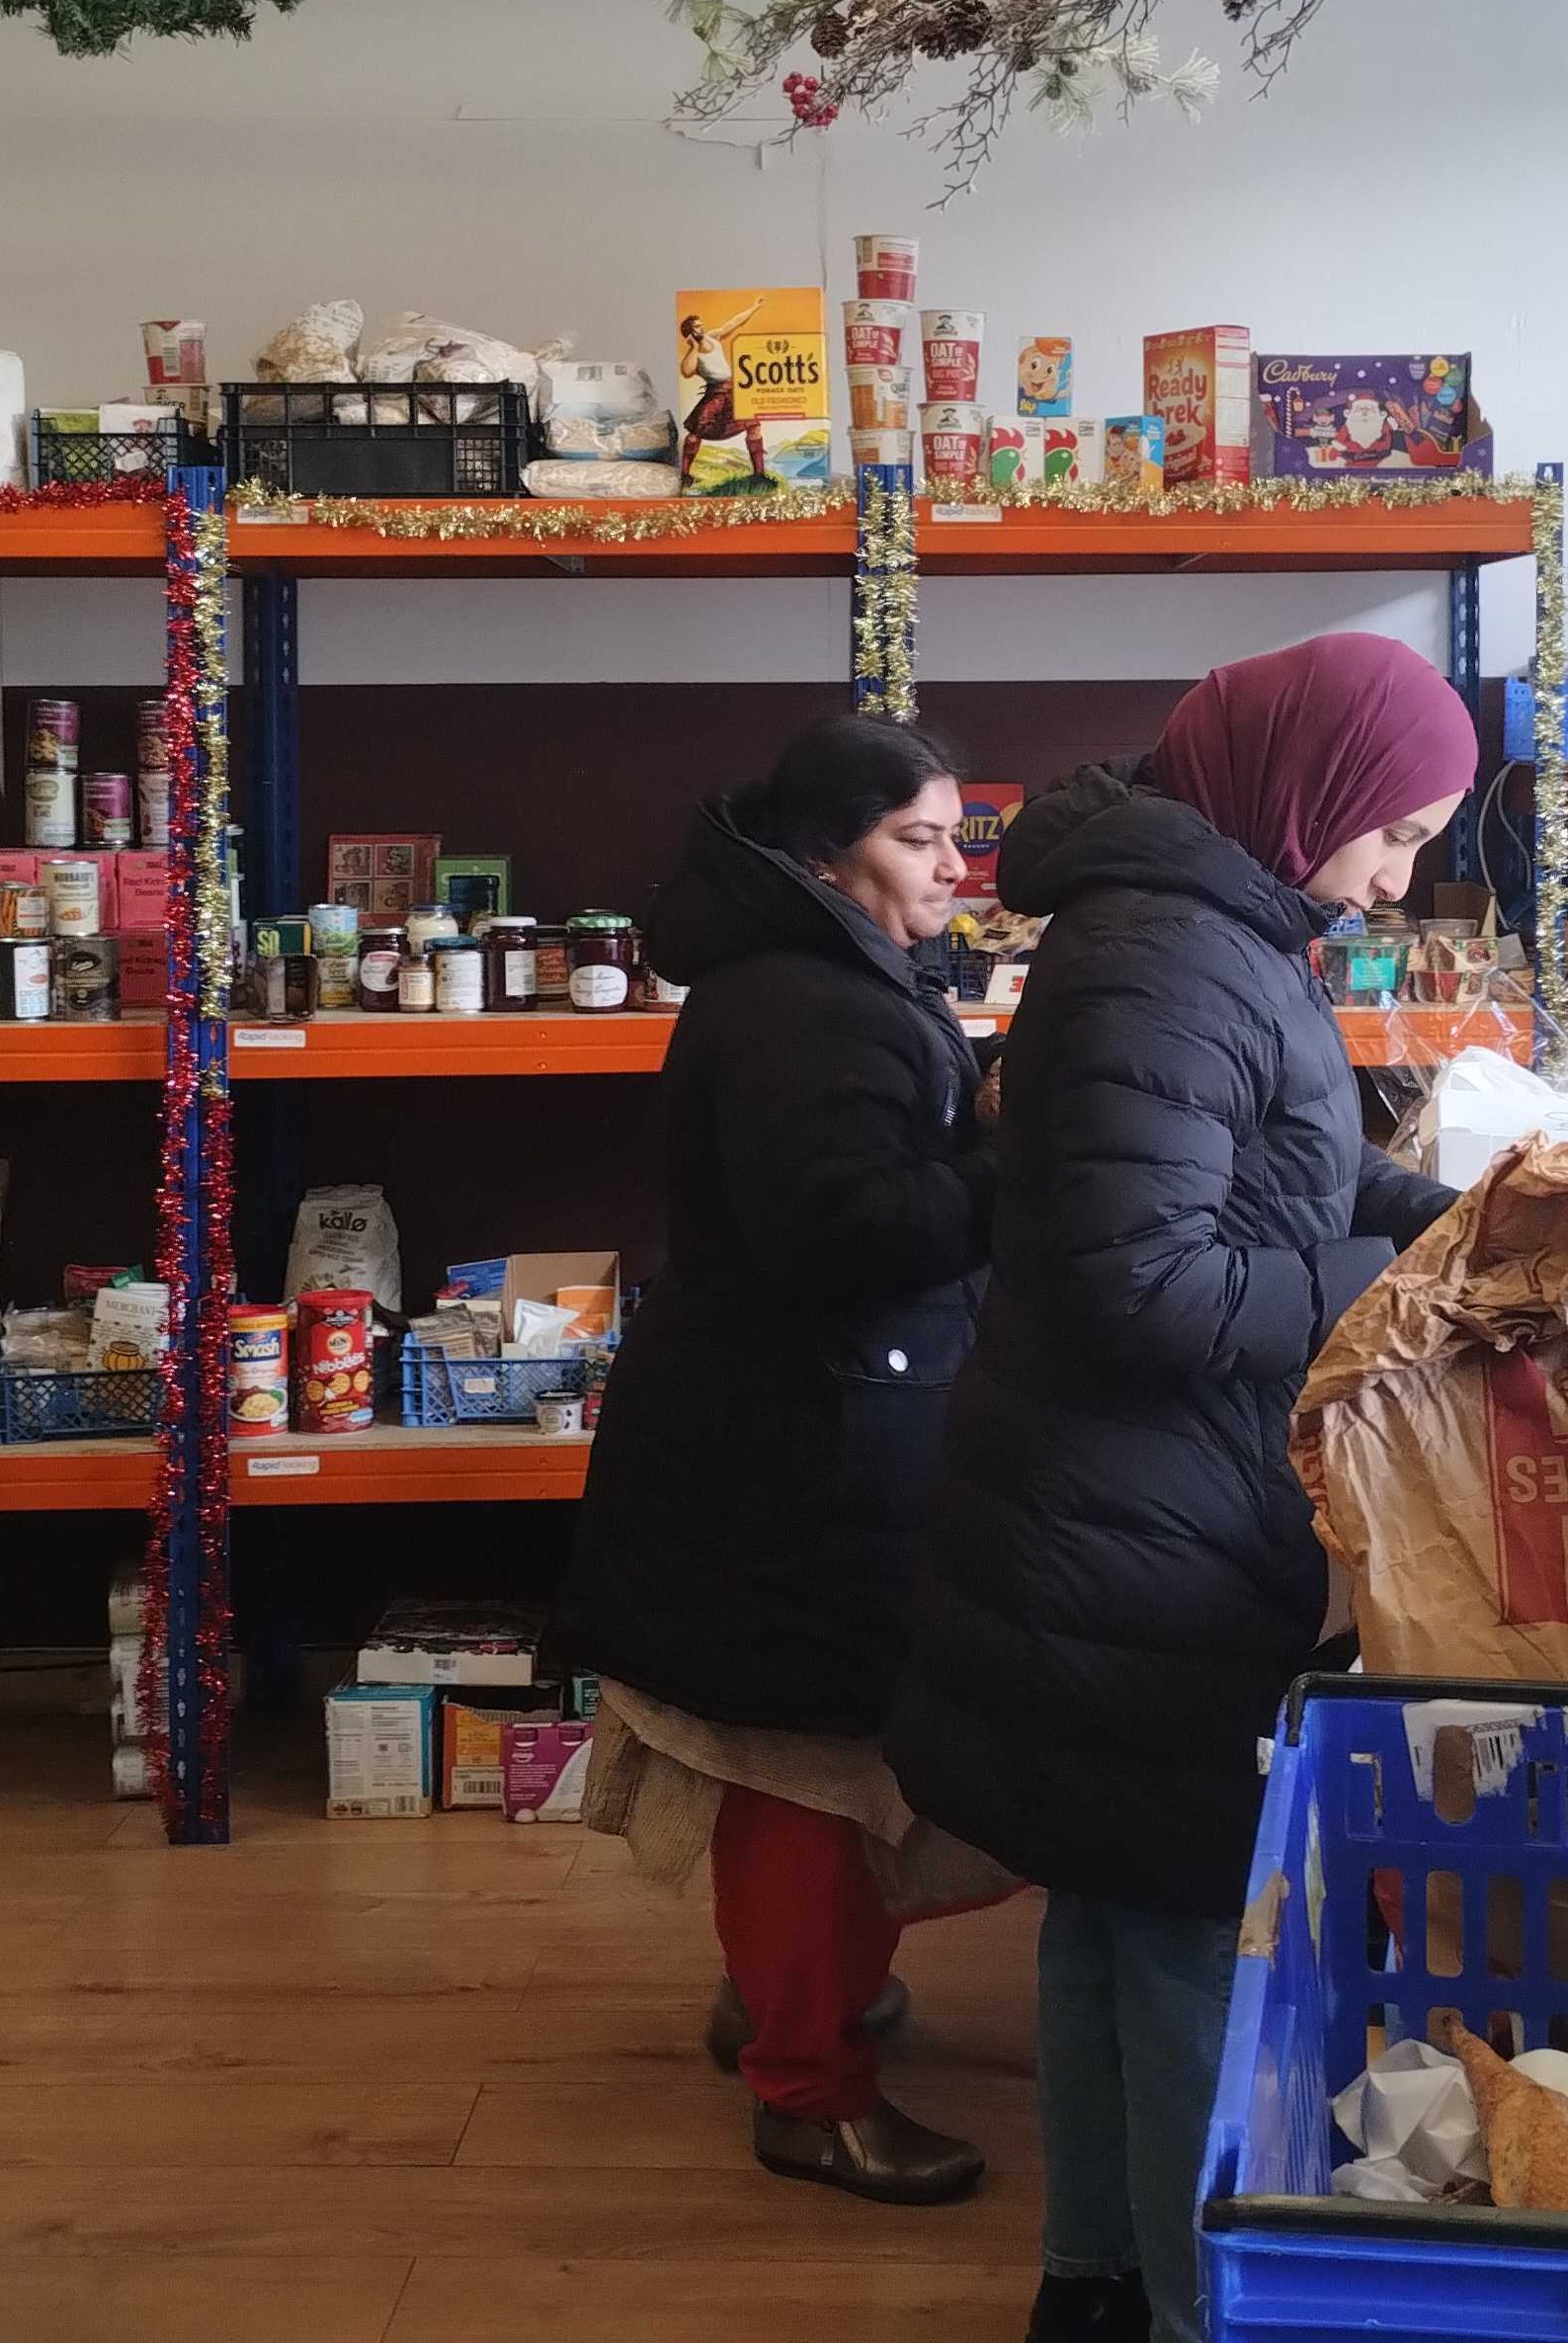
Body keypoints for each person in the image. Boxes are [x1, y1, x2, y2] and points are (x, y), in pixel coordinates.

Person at [889, 633, 1476, 2343]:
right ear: (1310, 790)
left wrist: (1443, 1206)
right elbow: (1144, 1287)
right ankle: (1183, 2304)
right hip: (1137, 1536)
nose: (1401, 869)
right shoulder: (1171, 957)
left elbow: (1270, 1157)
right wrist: (1398, 1301)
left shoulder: (1217, 928)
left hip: (1102, 1512)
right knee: (1180, 1943)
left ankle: (1094, 2281)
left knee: (1106, 1916)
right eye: (1396, 828)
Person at [560, 712, 1000, 2207]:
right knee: (815, 1773)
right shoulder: (814, 1006)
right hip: (798, 1447)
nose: (952, 869)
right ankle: (810, 2097)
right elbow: (848, 1239)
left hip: (785, 1425)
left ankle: (785, 2010)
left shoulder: (816, 978)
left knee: (808, 1758)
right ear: (827, 852)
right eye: (918, 839)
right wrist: (1010, 1149)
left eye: (955, 835)